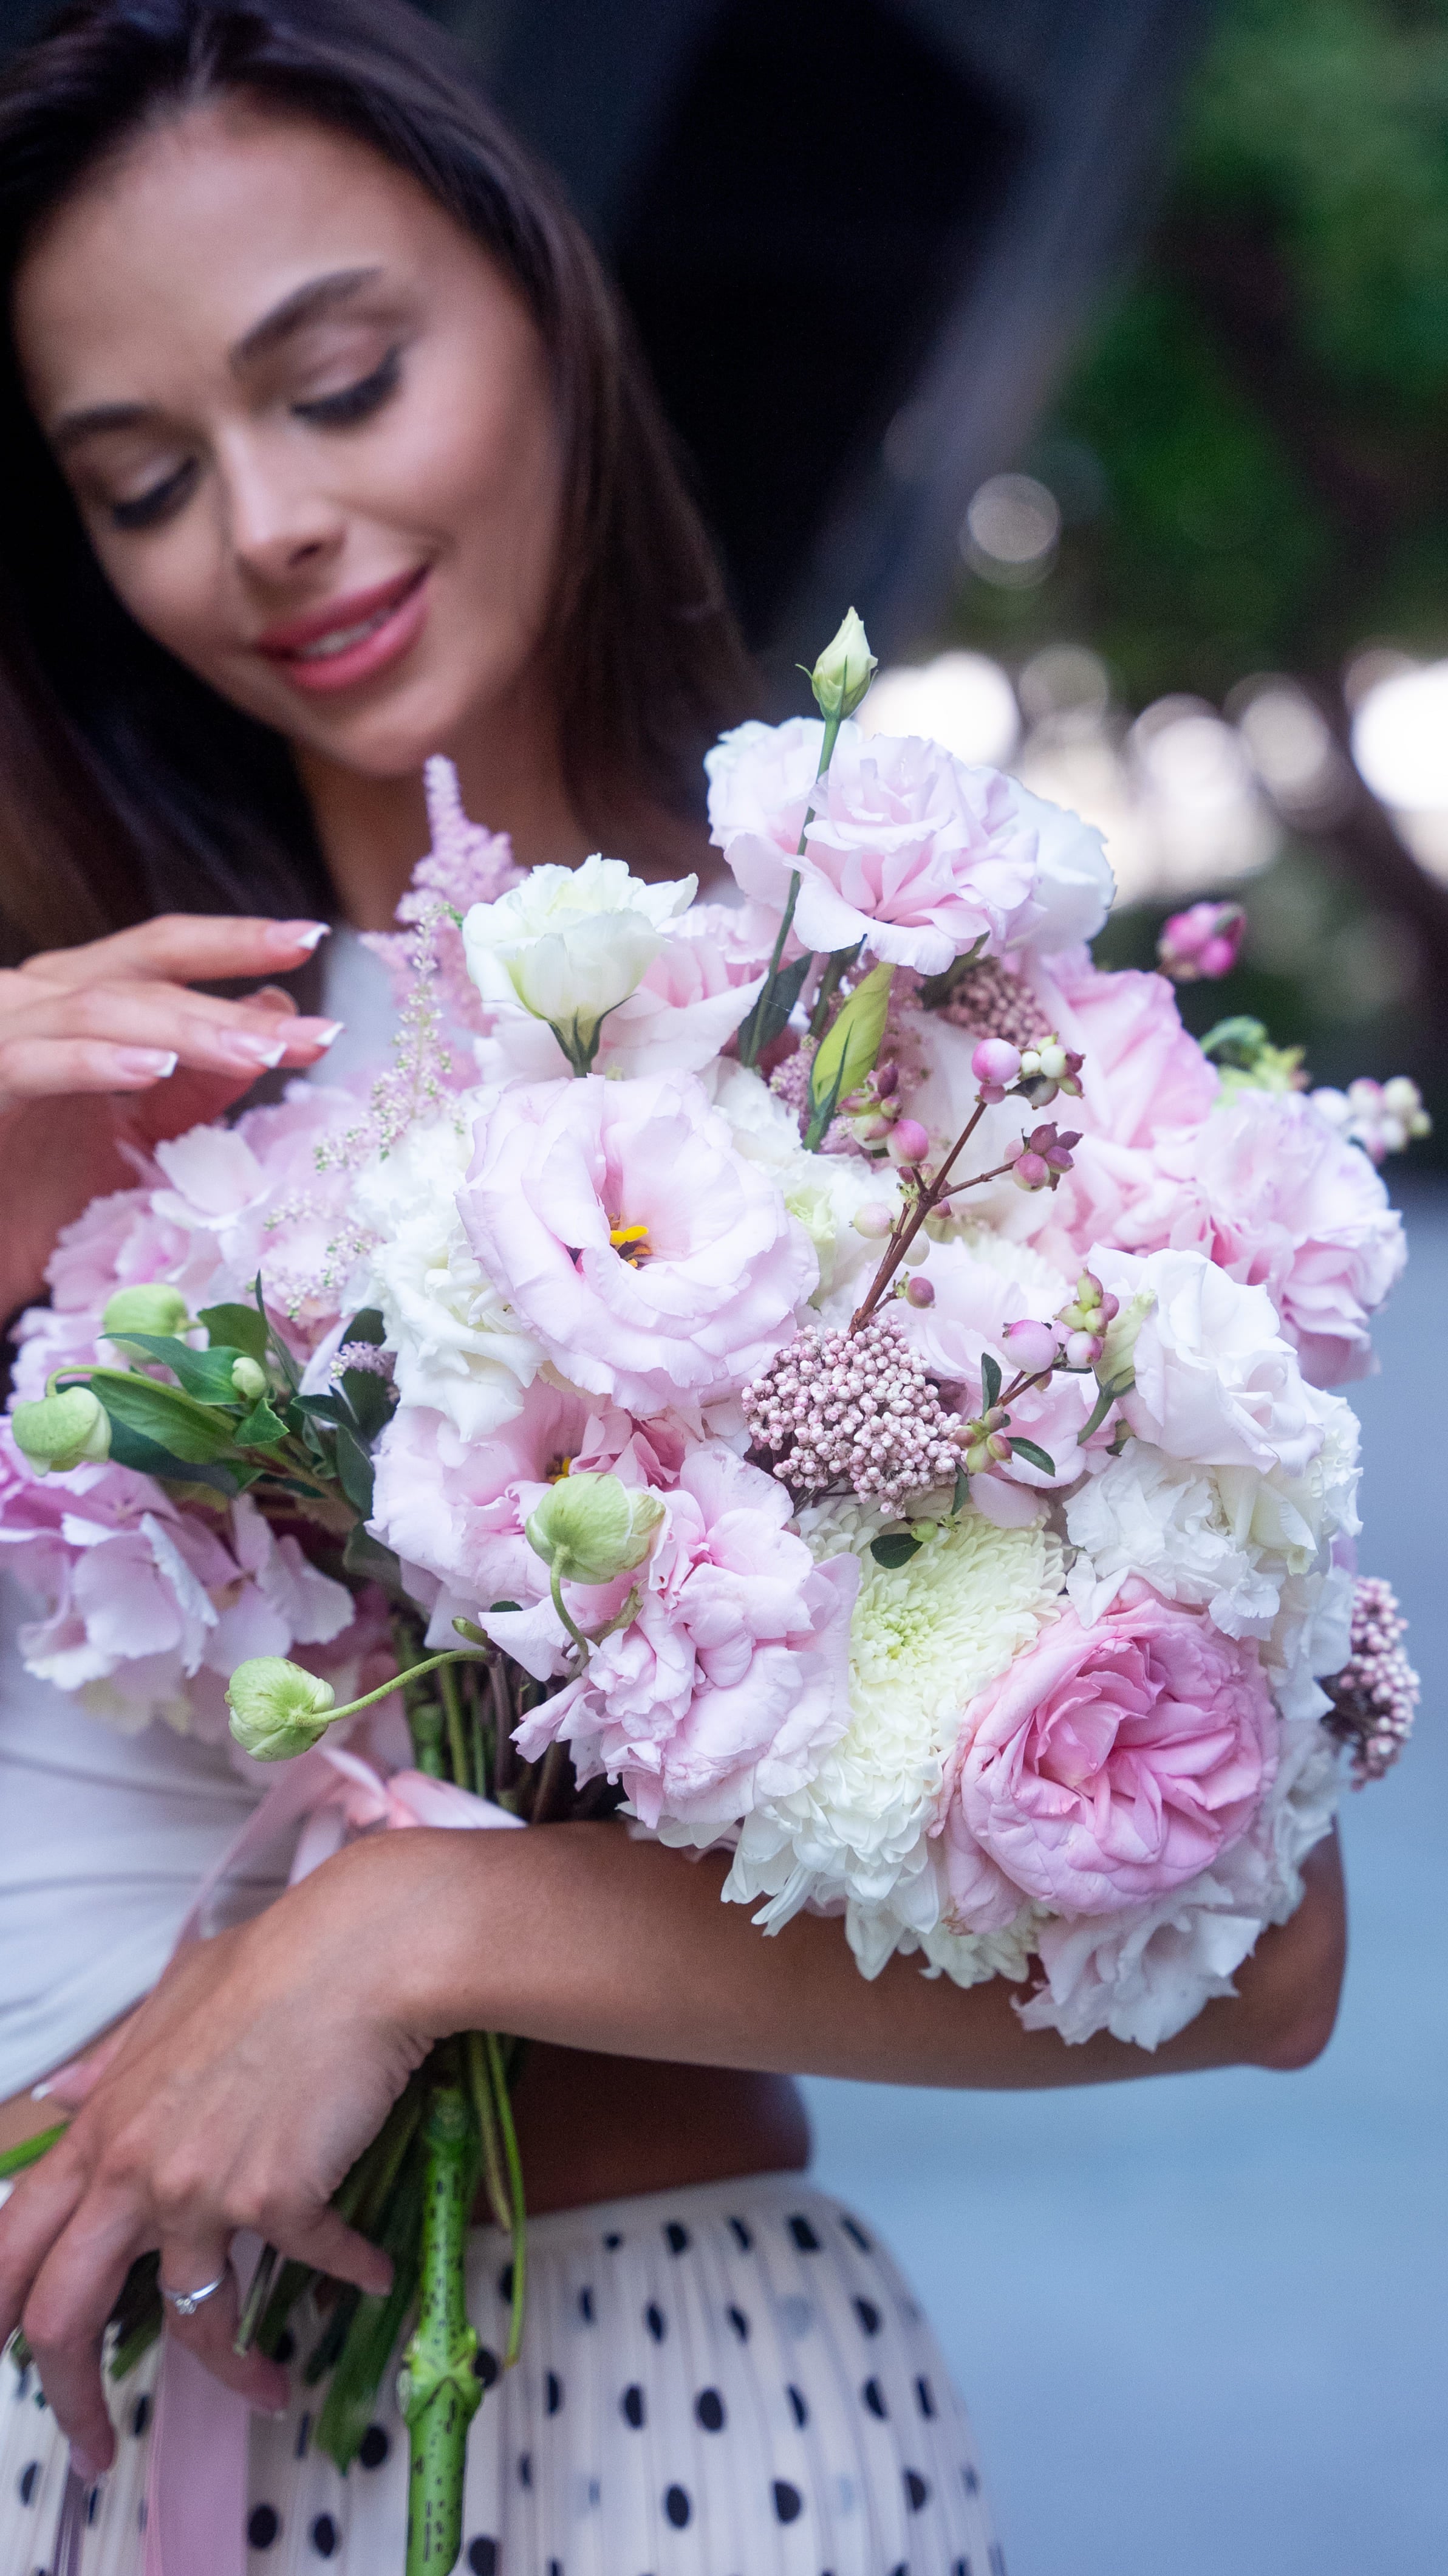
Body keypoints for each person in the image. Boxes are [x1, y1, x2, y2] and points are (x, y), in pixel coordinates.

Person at [0, 4, 1347, 2569]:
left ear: (539, 298)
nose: (267, 523)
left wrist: (421, 1927)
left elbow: (1259, 1949)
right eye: (146, 479)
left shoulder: (895, 1032)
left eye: (344, 379)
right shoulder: (75, 1049)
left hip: (639, 2413)